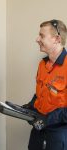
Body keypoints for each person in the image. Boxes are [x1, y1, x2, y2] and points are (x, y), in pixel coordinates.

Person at [23, 19, 67, 150]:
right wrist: (28, 107)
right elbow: (41, 93)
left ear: (57, 39)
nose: (37, 39)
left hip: (58, 135)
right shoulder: (42, 65)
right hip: (38, 130)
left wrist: (48, 119)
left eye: (42, 35)